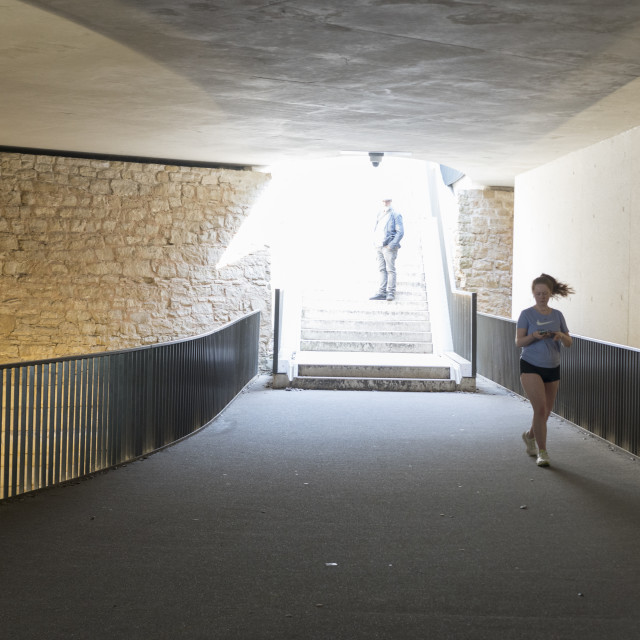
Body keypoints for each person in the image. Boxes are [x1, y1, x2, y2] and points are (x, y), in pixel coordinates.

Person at [515, 273, 574, 467]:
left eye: (545, 294)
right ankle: (543, 452)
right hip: (531, 364)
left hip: (552, 365)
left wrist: (559, 335)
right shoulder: (526, 314)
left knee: (547, 412)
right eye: (538, 293)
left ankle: (530, 435)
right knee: (539, 409)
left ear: (551, 294)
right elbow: (519, 342)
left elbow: (569, 342)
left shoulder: (557, 315)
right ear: (533, 293)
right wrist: (534, 336)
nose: (542, 297)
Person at [369, 197, 404, 301]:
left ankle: (391, 292)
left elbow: (400, 232)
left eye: (387, 200)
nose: (385, 202)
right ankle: (382, 292)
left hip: (388, 247)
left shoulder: (395, 214)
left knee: (390, 269)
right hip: (378, 246)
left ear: (391, 201)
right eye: (383, 200)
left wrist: (391, 245)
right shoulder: (379, 213)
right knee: (381, 269)